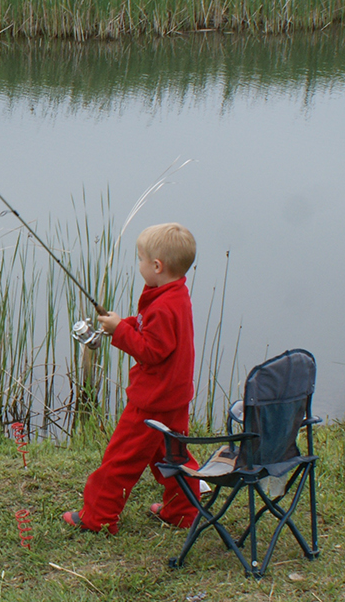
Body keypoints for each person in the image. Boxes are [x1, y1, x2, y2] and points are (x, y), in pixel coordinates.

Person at [61, 222, 201, 534]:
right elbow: (156, 335)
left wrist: (120, 331)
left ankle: (97, 518)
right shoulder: (175, 294)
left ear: (156, 265)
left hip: (153, 400)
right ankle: (182, 511)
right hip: (174, 396)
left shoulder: (164, 306)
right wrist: (124, 323)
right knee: (171, 455)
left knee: (120, 459)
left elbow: (152, 350)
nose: (138, 264)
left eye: (140, 259)